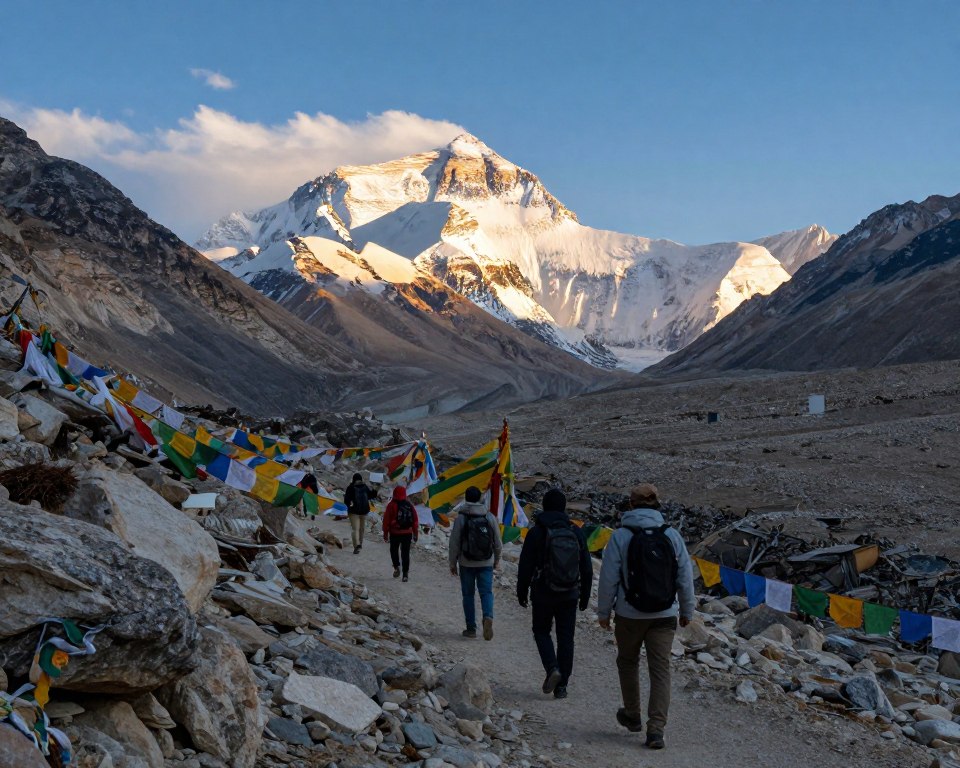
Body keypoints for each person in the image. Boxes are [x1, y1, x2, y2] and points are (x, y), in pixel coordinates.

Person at [597, 484, 695, 751]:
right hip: (664, 614)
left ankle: (632, 714)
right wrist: (687, 610)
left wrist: (603, 612)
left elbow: (608, 578)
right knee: (660, 669)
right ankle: (656, 730)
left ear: (631, 505)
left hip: (629, 614)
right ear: (657, 506)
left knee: (628, 662)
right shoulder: (672, 535)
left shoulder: (620, 536)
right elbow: (685, 576)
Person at [516, 488, 593, 700]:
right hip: (570, 593)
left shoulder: (536, 532)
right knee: (566, 638)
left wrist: (521, 591)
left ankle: (552, 669)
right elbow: (586, 567)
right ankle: (562, 686)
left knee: (541, 631)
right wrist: (584, 595)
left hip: (542, 592)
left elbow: (525, 565)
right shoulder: (575, 531)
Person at [448, 486, 502, 640]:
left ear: (466, 498)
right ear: (480, 499)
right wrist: (497, 560)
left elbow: (454, 543)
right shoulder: (489, 516)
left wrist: (452, 563)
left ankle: (471, 628)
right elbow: (497, 542)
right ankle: (488, 616)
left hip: (466, 562)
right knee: (486, 592)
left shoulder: (461, 518)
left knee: (468, 595)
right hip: (486, 561)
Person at [382, 486, 418, 581]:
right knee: (405, 553)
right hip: (407, 533)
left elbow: (386, 521)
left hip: (395, 533)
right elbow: (415, 520)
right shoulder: (409, 505)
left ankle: (396, 567)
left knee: (394, 550)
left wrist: (385, 533)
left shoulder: (391, 505)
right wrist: (415, 533)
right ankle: (405, 574)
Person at [344, 473, 372, 554]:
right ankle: (360, 543)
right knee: (361, 529)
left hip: (353, 512)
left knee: (355, 529)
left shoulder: (350, 487)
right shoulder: (364, 487)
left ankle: (356, 546)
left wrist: (350, 505)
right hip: (363, 511)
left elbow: (346, 500)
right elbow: (370, 496)